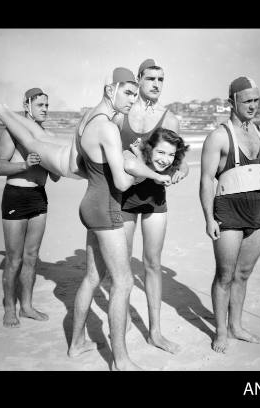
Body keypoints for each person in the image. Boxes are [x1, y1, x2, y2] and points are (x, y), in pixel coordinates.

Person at [0, 68, 171, 370]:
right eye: (129, 93)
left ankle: (77, 343)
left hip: (91, 202)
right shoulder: (107, 126)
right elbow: (120, 183)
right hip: (104, 206)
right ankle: (120, 359)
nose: (133, 100)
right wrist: (141, 171)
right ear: (111, 90)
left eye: (135, 94)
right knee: (122, 283)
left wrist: (136, 163)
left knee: (93, 277)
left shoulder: (94, 117)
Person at [199, 76, 260, 353]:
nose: (253, 106)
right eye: (247, 100)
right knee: (225, 275)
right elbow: (205, 181)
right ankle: (221, 331)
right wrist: (209, 219)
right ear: (232, 101)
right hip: (228, 210)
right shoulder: (218, 136)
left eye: (256, 100)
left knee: (244, 273)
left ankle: (236, 326)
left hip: (257, 210)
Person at [113, 59, 189, 354]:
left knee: (152, 263)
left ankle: (155, 332)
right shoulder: (122, 115)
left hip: (156, 198)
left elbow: (181, 163)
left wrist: (180, 173)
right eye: (151, 79)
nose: (157, 84)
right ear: (139, 79)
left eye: (161, 80)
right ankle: (122, 319)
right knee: (122, 267)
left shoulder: (169, 119)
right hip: (126, 197)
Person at [0, 87, 60, 328]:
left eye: (46, 105)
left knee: (32, 257)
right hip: (16, 196)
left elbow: (55, 178)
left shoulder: (46, 136)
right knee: (14, 259)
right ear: (27, 105)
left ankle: (27, 306)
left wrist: (54, 166)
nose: (44, 109)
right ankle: (10, 308)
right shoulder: (11, 133)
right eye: (40, 105)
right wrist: (24, 165)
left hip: (38, 197)